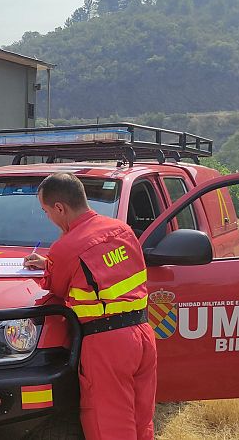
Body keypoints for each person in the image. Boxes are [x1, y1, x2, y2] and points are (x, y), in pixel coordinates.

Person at [23, 173, 156, 440]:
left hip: (106, 344)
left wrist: (47, 266)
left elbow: (57, 287)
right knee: (141, 422)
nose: (48, 217)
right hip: (142, 335)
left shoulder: (67, 246)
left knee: (109, 425)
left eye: (46, 211)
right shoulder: (123, 231)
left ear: (60, 208)